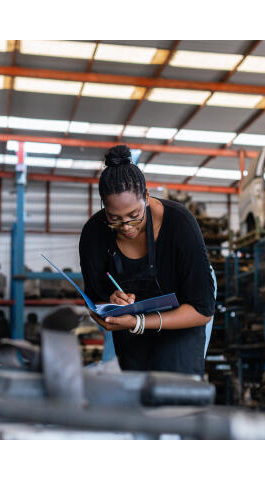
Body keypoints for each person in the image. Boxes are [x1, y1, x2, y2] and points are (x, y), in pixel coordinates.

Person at [79, 145, 216, 376]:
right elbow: (95, 301)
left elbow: (202, 309)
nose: (126, 227)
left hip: (184, 313)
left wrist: (139, 322)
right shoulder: (94, 233)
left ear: (147, 197)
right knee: (131, 385)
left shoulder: (180, 224)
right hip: (129, 322)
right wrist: (110, 303)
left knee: (175, 383)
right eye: (115, 219)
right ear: (104, 207)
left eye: (134, 216)